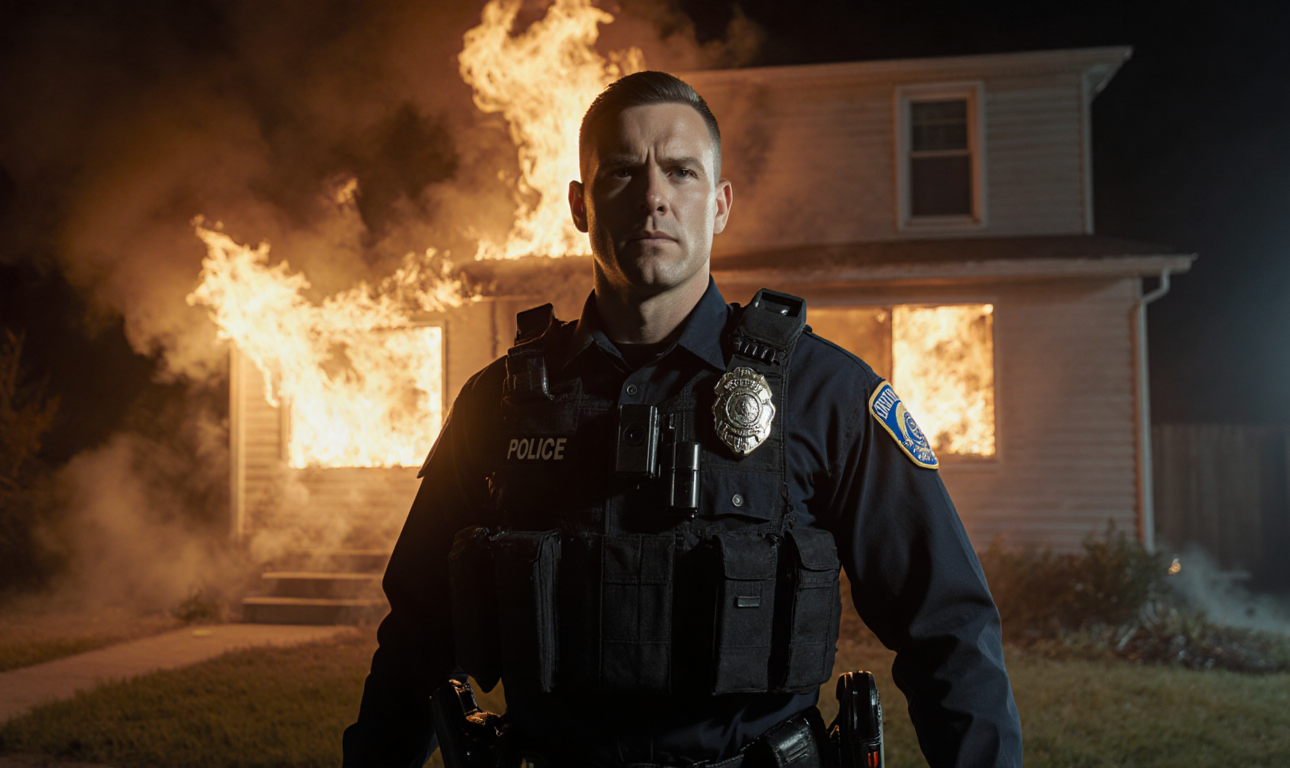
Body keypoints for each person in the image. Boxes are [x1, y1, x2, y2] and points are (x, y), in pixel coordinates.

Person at [343, 70, 1022, 768]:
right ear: (579, 204)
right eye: (621, 173)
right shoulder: (497, 405)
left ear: (720, 204)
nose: (653, 198)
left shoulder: (826, 395)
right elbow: (418, 637)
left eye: (681, 172)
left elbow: (948, 631)